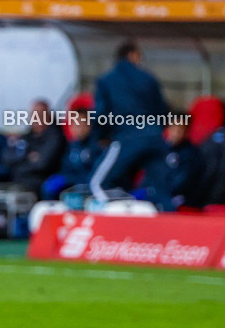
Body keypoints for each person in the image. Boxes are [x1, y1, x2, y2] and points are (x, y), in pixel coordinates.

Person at [89, 41, 172, 211]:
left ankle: (116, 224)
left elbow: (101, 113)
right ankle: (174, 233)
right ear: (132, 55)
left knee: (97, 184)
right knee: (162, 192)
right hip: (155, 138)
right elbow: (162, 110)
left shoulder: (107, 80)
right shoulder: (149, 78)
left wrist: (101, 137)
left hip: (127, 138)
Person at [1, 100, 65, 196]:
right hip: (18, 181)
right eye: (34, 115)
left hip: (40, 183)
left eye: (40, 114)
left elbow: (42, 164)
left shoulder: (55, 137)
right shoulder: (28, 135)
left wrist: (20, 161)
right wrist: (27, 156)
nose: (37, 118)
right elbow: (6, 157)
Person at [41, 111, 101, 200]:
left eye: (81, 124)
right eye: (75, 125)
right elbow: (65, 169)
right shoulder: (71, 146)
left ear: (89, 126)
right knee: (49, 186)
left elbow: (95, 173)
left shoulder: (96, 146)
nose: (79, 128)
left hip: (89, 187)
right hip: (71, 184)